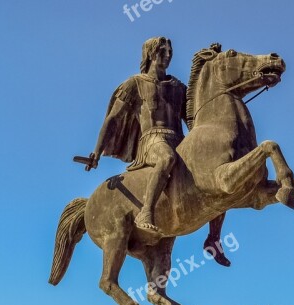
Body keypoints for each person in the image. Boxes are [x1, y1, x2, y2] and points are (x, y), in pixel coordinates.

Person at [85, 36, 231, 265]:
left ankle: (213, 238)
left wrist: (205, 66)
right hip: (153, 141)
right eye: (163, 50)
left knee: (216, 174)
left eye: (170, 50)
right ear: (151, 54)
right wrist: (96, 152)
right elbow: (113, 119)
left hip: (180, 140)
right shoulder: (135, 84)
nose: (168, 54)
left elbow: (194, 117)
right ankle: (146, 212)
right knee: (166, 158)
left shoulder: (178, 87)